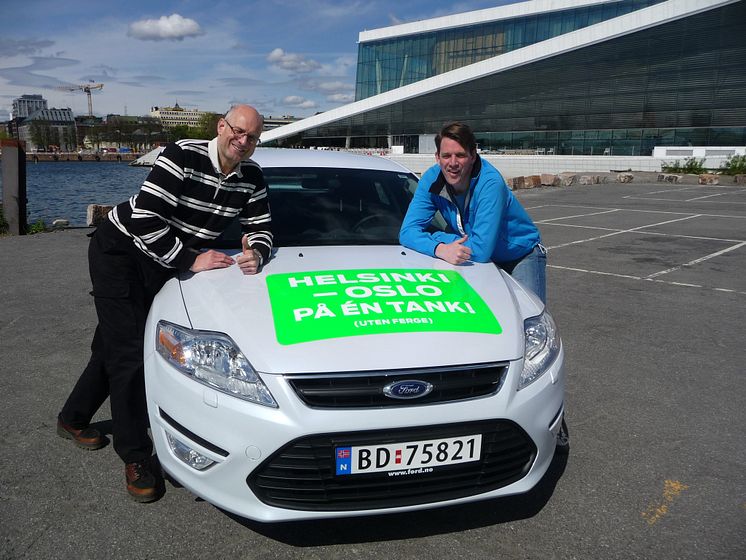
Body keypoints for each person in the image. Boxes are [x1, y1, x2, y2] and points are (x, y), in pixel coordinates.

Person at [56, 104, 272, 502]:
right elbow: (145, 220)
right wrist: (191, 260)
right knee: (130, 355)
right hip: (121, 251)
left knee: (112, 345)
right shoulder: (182, 155)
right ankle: (137, 455)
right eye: (238, 132)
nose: (243, 142)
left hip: (163, 259)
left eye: (253, 137)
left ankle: (72, 418)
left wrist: (257, 252)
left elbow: (260, 227)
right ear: (221, 127)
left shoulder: (251, 177)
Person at [399, 122, 546, 303]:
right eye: (446, 156)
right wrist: (439, 249)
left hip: (519, 256)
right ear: (437, 157)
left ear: (473, 156)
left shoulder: (491, 183)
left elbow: (482, 249)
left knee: (528, 317)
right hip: (474, 255)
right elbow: (407, 232)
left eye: (460, 155)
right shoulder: (430, 180)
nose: (452, 163)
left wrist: (437, 236)